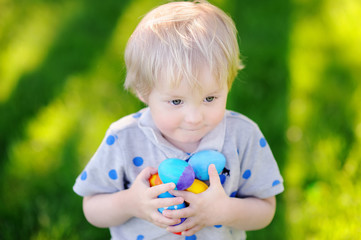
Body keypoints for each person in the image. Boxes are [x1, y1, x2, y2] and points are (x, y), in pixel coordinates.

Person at [73, 1, 284, 239]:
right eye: (176, 102)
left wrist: (224, 211)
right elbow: (92, 208)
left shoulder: (243, 136)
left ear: (228, 83)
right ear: (145, 92)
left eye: (210, 98)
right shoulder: (124, 138)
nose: (194, 118)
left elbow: (265, 209)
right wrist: (130, 203)